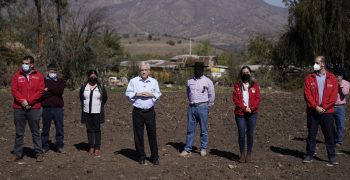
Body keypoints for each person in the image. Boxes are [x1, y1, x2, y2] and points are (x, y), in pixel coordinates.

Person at [8, 55, 45, 162]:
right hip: (19, 108)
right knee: (19, 132)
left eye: (27, 63)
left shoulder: (39, 76)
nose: (24, 65)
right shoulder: (17, 76)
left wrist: (29, 102)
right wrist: (22, 101)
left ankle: (38, 153)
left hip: (34, 108)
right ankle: (17, 153)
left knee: (35, 132)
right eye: (23, 63)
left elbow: (40, 91)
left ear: (32, 65)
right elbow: (14, 90)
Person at [303, 56, 338, 165]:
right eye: (314, 63)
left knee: (329, 135)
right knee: (311, 134)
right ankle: (309, 155)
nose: (314, 65)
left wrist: (325, 107)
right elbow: (307, 94)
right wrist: (315, 106)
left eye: (316, 63)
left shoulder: (332, 78)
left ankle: (331, 157)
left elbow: (333, 96)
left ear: (323, 64)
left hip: (327, 112)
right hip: (313, 111)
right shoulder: (309, 78)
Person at [125, 62, 162, 165]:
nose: (144, 72)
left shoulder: (154, 81)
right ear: (139, 71)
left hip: (150, 111)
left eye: (146, 70)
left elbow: (158, 94)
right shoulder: (133, 81)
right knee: (138, 135)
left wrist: (151, 94)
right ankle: (141, 156)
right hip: (137, 112)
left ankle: (155, 157)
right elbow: (127, 93)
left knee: (152, 134)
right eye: (142, 70)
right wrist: (137, 94)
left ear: (149, 71)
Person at [179, 62, 215, 157]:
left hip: (203, 107)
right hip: (191, 107)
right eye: (196, 68)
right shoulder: (189, 81)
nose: (197, 70)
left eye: (200, 68)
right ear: (194, 69)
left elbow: (212, 95)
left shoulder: (208, 81)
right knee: (190, 129)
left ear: (203, 70)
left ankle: (203, 148)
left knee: (204, 129)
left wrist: (208, 106)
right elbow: (188, 92)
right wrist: (191, 101)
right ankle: (187, 149)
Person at [232, 66, 261, 163]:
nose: (246, 74)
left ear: (250, 73)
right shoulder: (237, 85)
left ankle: (249, 154)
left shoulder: (255, 85)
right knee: (241, 134)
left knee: (250, 134)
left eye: (247, 72)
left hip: (252, 113)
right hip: (240, 113)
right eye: (244, 72)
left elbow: (258, 99)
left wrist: (251, 108)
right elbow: (235, 100)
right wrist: (244, 108)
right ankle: (242, 154)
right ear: (241, 74)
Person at [79, 70, 107, 156]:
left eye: (95, 75)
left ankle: (97, 147)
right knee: (89, 129)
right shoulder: (84, 86)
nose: (93, 76)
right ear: (88, 76)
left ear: (97, 76)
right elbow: (81, 97)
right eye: (91, 75)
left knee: (97, 130)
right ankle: (91, 146)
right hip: (86, 111)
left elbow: (105, 98)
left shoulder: (101, 86)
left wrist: (98, 105)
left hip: (97, 112)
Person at [41, 64, 65, 153]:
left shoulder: (60, 81)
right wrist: (54, 90)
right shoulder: (42, 81)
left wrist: (48, 89)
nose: (53, 73)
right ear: (47, 72)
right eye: (51, 72)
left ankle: (59, 146)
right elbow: (42, 94)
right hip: (46, 108)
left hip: (58, 108)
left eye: (55, 72)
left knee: (59, 128)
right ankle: (44, 145)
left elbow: (60, 91)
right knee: (45, 128)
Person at [333, 70, 350, 146]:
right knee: (330, 124)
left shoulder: (346, 83)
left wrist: (340, 85)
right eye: (336, 75)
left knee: (340, 125)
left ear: (342, 76)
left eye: (339, 75)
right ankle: (333, 138)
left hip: (340, 107)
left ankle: (339, 141)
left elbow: (345, 93)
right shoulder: (332, 82)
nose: (337, 77)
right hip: (331, 106)